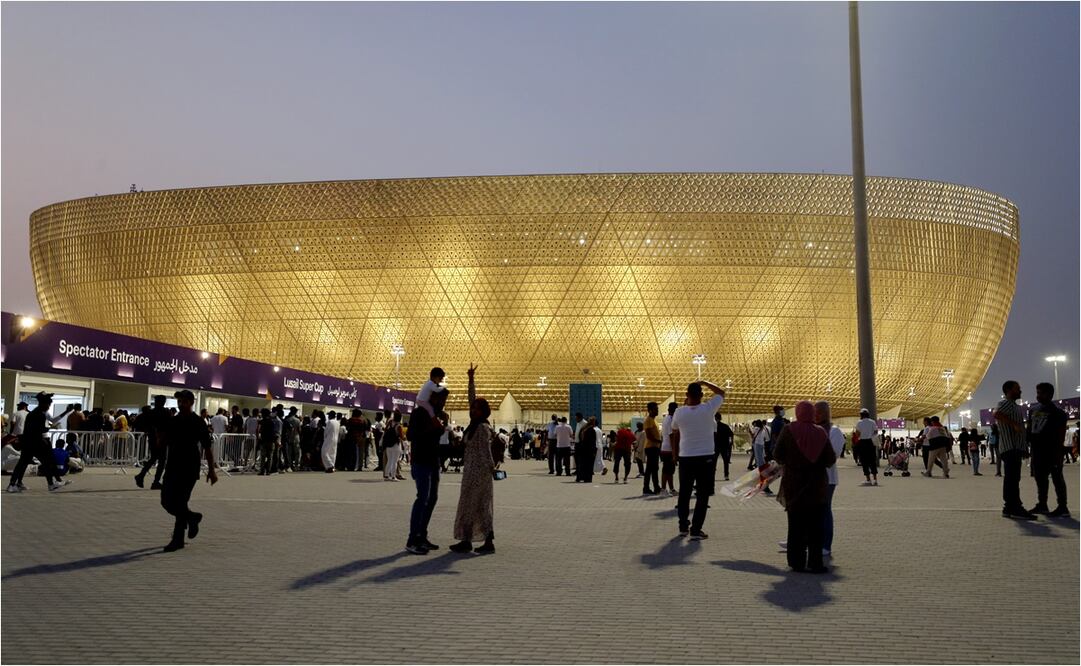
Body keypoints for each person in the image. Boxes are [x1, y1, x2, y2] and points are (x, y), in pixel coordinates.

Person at [773, 401, 836, 573]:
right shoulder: (821, 432)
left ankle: (796, 561)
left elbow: (777, 454)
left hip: (793, 486)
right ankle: (815, 563)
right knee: (816, 527)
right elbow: (830, 459)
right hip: (817, 487)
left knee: (795, 526)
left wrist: (790, 462)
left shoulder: (788, 430)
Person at [159, 390, 217, 552]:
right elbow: (163, 442)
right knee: (166, 501)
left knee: (180, 501)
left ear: (191, 402)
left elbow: (207, 447)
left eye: (184, 401)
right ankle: (192, 518)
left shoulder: (198, 422)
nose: (180, 404)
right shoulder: (173, 421)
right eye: (179, 401)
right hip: (172, 466)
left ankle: (177, 540)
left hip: (189, 467)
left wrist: (212, 471)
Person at [450, 364, 497, 555]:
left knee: (482, 506)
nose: (473, 411)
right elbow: (472, 399)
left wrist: (492, 469)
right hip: (470, 472)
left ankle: (488, 541)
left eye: (477, 409)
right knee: (467, 506)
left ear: (483, 411)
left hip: (481, 473)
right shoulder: (474, 425)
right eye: (472, 409)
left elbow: (486, 452)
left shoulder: (482, 428)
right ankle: (466, 539)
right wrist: (470, 379)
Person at [670, 381, 725, 539]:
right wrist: (705, 382)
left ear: (686, 395)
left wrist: (675, 454)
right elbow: (721, 392)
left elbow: (674, 433)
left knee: (684, 493)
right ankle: (696, 530)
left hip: (685, 457)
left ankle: (682, 526)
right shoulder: (708, 408)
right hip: (705, 457)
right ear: (701, 395)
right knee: (702, 495)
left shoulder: (679, 413)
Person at [406, 375, 450, 555]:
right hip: (421, 462)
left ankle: (422, 535)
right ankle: (412, 540)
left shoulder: (437, 415)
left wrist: (442, 423)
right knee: (422, 498)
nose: (443, 403)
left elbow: (438, 435)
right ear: (432, 397)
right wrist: (434, 427)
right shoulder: (419, 413)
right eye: (441, 399)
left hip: (433, 462)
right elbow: (410, 436)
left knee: (432, 499)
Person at [7, 393, 75, 493]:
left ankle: (13, 484)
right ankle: (51, 484)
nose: (49, 407)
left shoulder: (34, 413)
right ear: (43, 404)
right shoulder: (39, 415)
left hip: (28, 442)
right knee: (45, 462)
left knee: (23, 464)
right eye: (48, 405)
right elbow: (38, 430)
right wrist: (47, 435)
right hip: (35, 443)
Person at [1027, 383, 1069, 517]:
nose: (1038, 395)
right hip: (1037, 451)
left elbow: (1061, 434)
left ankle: (1062, 507)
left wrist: (1058, 452)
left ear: (1050, 395)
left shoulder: (1058, 413)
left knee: (1057, 478)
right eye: (1037, 392)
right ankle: (1042, 505)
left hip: (1053, 451)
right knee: (1040, 478)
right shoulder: (1033, 410)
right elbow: (1029, 430)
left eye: (1041, 393)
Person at [995, 381, 1035, 520]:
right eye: (1018, 389)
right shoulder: (1006, 403)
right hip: (1010, 447)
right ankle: (1014, 507)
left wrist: (1023, 448)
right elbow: (997, 414)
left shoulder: (1014, 406)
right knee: (1012, 478)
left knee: (1013, 478)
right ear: (1009, 390)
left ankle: (1009, 507)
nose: (1020, 391)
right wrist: (1014, 425)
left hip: (1015, 447)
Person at [815, 401, 845, 559]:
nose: (816, 415)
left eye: (820, 412)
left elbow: (832, 456)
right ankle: (805, 540)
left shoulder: (834, 431)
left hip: (827, 478)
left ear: (827, 413)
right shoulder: (813, 429)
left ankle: (826, 545)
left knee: (824, 510)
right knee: (810, 511)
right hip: (811, 478)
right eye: (815, 412)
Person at [135, 395, 171, 489]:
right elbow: (168, 426)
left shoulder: (150, 413)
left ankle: (141, 475)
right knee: (162, 461)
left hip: (152, 439)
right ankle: (156, 481)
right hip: (162, 439)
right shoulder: (165, 412)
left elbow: (146, 425)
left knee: (153, 458)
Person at [854, 408, 880, 486]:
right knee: (872, 460)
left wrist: (861, 434)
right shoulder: (872, 422)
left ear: (861, 415)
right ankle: (875, 479)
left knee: (864, 461)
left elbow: (857, 434)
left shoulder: (859, 422)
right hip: (870, 442)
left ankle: (868, 479)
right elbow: (876, 431)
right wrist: (871, 435)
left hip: (862, 442)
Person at [642, 402, 662, 495]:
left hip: (655, 447)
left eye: (657, 408)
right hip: (651, 447)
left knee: (653, 468)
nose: (657, 410)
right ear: (650, 410)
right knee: (652, 469)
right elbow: (649, 435)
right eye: (655, 409)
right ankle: (653, 487)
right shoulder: (648, 420)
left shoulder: (654, 421)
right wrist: (659, 441)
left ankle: (653, 487)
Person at [659, 402, 678, 495]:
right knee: (667, 470)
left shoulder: (666, 419)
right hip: (669, 449)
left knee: (669, 470)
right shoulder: (670, 420)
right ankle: (663, 489)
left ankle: (671, 489)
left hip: (665, 447)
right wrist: (674, 452)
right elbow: (672, 437)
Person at [382, 410, 404, 481]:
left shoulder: (390, 422)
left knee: (389, 460)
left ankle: (386, 475)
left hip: (388, 444)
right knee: (395, 461)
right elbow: (402, 437)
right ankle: (393, 476)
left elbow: (385, 429)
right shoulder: (399, 426)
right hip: (396, 445)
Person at [576, 417, 598, 483]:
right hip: (589, 449)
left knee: (582, 463)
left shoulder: (583, 428)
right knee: (589, 464)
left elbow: (579, 437)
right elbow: (593, 442)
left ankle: (580, 477)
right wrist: (594, 450)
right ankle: (587, 478)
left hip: (582, 448)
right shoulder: (592, 430)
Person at [713, 412, 734, 482]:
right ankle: (726, 475)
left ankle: (712, 475)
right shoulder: (725, 426)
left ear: (715, 418)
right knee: (726, 461)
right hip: (724, 446)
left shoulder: (713, 426)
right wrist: (731, 442)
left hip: (716, 446)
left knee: (714, 462)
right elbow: (731, 434)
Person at [283, 406, 302, 472]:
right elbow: (299, 430)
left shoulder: (287, 419)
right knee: (297, 452)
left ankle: (290, 465)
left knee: (289, 452)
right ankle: (296, 465)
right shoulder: (297, 420)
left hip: (289, 437)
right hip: (296, 437)